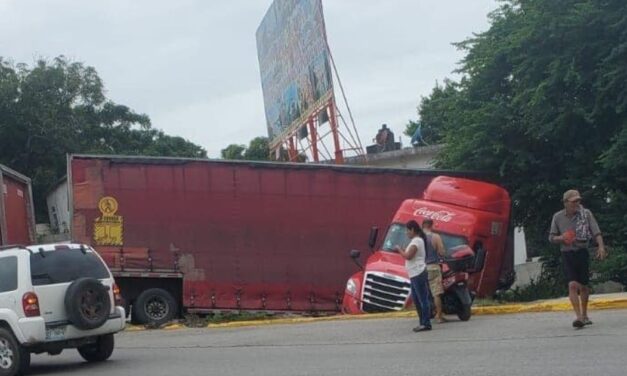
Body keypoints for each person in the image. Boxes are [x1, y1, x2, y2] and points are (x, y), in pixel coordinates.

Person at [549, 189, 607, 329]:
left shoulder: (586, 214)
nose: (577, 203)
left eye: (578, 200)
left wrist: (601, 247)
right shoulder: (557, 217)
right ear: (566, 203)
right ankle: (579, 317)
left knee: (584, 286)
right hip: (567, 253)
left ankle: (585, 314)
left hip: (582, 252)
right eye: (574, 201)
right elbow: (551, 237)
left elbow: (596, 232)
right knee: (572, 285)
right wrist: (562, 238)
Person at [395, 220, 432, 332]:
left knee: (422, 299)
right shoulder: (416, 241)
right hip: (414, 273)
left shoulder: (416, 241)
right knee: (416, 299)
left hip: (418, 272)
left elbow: (408, 256)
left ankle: (426, 323)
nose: (406, 233)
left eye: (407, 230)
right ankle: (422, 322)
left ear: (412, 230)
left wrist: (399, 250)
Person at [422, 219, 447, 323]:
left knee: (424, 294)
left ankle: (425, 316)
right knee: (436, 293)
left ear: (422, 225)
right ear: (431, 225)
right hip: (433, 267)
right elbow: (441, 252)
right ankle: (439, 316)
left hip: (421, 268)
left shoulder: (418, 238)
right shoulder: (435, 237)